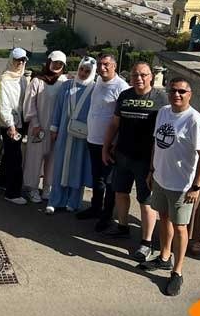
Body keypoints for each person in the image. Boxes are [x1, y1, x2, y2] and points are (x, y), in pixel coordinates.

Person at [139, 77, 200, 297]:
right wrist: (152, 170)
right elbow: (156, 143)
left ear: (190, 94)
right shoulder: (163, 112)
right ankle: (164, 257)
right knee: (164, 218)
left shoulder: (194, 120)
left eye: (181, 91)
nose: (176, 95)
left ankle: (177, 272)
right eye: (173, 91)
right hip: (161, 178)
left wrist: (196, 186)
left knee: (180, 227)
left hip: (182, 184)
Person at [103, 61, 169, 258]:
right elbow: (114, 124)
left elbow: (179, 113)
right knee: (120, 192)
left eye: (143, 75)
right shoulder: (125, 96)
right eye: (135, 75)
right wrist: (106, 147)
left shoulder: (161, 98)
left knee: (145, 200)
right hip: (122, 155)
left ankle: (146, 242)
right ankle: (123, 227)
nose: (139, 78)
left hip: (146, 160)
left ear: (151, 77)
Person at [83, 54, 129, 229]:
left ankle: (107, 215)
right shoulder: (98, 82)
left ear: (114, 66)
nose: (102, 68)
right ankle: (95, 208)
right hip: (93, 139)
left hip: (109, 144)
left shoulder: (121, 87)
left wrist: (114, 143)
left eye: (106, 64)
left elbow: (122, 119)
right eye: (100, 64)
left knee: (109, 181)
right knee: (96, 178)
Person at [46, 57, 97, 214]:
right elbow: (58, 107)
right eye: (81, 69)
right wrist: (54, 128)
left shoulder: (94, 89)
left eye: (87, 71)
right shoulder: (67, 85)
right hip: (64, 131)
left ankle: (73, 201)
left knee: (77, 167)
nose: (83, 73)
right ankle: (55, 200)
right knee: (60, 166)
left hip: (83, 134)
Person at [22, 51, 67, 204]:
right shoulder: (37, 81)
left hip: (56, 128)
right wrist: (35, 124)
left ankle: (48, 187)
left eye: (60, 64)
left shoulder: (64, 82)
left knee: (53, 159)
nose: (57, 66)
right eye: (54, 62)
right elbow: (30, 103)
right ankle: (32, 188)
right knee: (34, 158)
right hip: (38, 127)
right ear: (48, 62)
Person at [0, 48, 28, 204]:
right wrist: (11, 125)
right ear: (11, 60)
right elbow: (4, 105)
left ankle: (2, 181)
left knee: (9, 154)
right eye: (17, 60)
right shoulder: (4, 80)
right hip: (10, 124)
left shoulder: (22, 79)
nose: (20, 63)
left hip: (20, 122)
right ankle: (13, 193)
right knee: (16, 157)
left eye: (23, 60)